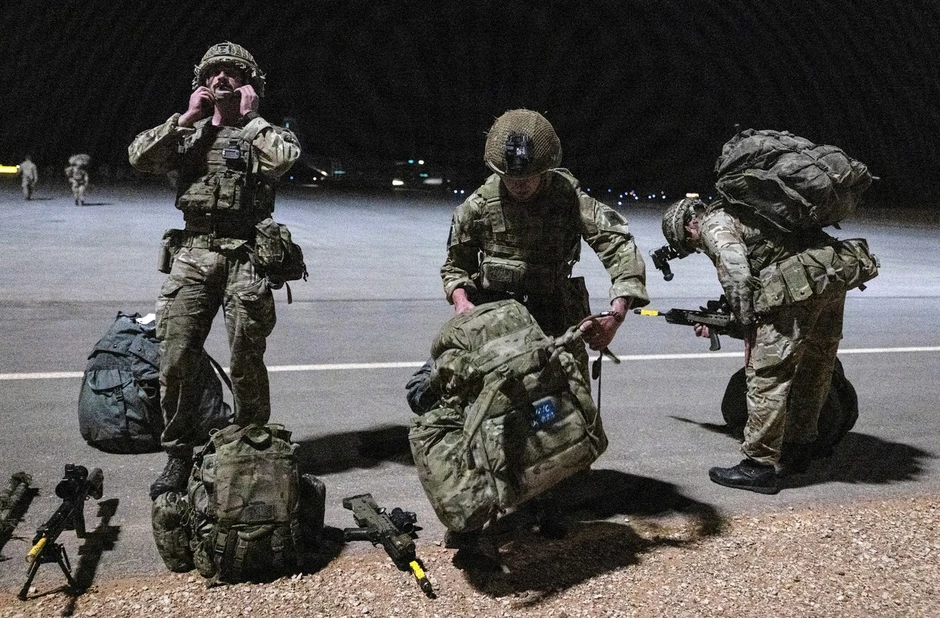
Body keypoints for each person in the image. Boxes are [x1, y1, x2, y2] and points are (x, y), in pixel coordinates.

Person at [436, 109, 650, 557]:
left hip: (556, 313)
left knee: (558, 408)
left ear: (547, 168)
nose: (520, 185)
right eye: (511, 178)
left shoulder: (568, 198)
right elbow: (455, 266)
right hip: (499, 321)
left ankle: (553, 496)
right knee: (487, 408)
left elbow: (618, 245)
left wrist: (617, 312)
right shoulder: (477, 206)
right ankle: (482, 502)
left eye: (530, 177)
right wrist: (462, 302)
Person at [128, 42, 300, 500]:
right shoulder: (189, 134)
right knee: (176, 357)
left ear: (248, 84)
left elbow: (283, 161)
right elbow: (140, 158)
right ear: (202, 83)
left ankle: (251, 446)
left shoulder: (263, 133)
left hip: (245, 256)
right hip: (194, 253)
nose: (222, 77)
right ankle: (179, 454)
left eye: (232, 72)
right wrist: (186, 118)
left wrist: (251, 118)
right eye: (214, 72)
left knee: (246, 358)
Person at [660, 195, 855, 494]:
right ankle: (799, 448)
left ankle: (758, 466)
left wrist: (748, 326)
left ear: (688, 226)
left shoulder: (714, 224)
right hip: (829, 273)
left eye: (693, 245)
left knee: (767, 377)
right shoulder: (745, 210)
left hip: (798, 285)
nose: (699, 248)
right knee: (814, 367)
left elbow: (737, 277)